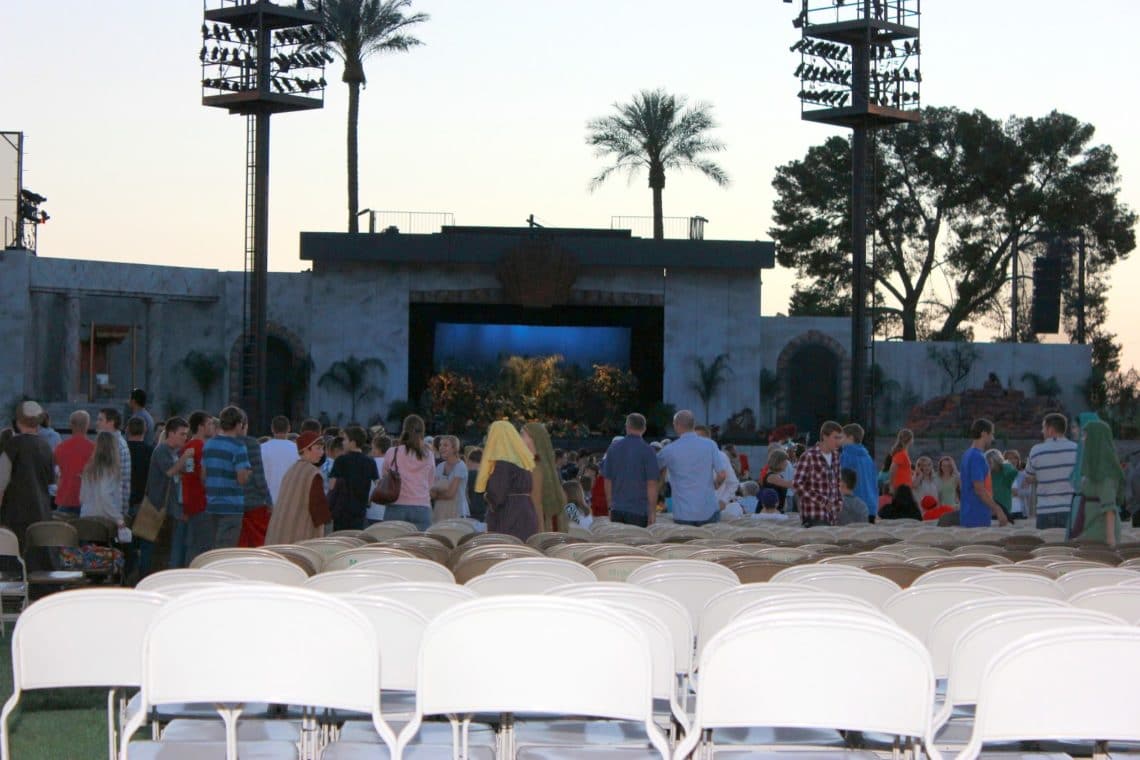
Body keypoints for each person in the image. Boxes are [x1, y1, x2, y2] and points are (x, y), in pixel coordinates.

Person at [656, 410, 725, 526]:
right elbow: (722, 474)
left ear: (676, 425)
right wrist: (716, 485)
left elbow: (653, 468)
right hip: (708, 510)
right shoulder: (710, 445)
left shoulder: (669, 450)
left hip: (683, 513)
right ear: (693, 425)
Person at [0, 401, 55, 546]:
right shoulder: (46, 447)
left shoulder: (11, 445)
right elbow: (50, 481)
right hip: (41, 513)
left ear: (18, 421)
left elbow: (1, 483)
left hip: (14, 515)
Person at [264, 431, 331, 545]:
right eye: (318, 448)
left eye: (322, 449)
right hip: (299, 535)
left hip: (279, 532)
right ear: (306, 449)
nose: (322, 452)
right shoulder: (313, 474)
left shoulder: (291, 470)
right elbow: (318, 510)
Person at [477, 420, 540, 540]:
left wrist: (487, 496)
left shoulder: (503, 461)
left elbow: (497, 495)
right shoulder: (521, 458)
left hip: (510, 515)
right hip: (526, 512)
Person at [202, 405, 252, 549]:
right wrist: (248, 474)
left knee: (212, 548)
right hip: (231, 505)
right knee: (225, 550)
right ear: (237, 425)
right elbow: (241, 479)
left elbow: (203, 475)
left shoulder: (209, 444)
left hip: (212, 504)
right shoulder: (238, 447)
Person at [602, 413, 660, 528]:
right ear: (644, 428)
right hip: (639, 510)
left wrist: (610, 506)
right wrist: (652, 511)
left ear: (627, 427)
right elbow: (652, 483)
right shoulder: (648, 451)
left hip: (617, 509)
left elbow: (608, 480)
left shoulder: (613, 448)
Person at [1072, 420, 1123, 546]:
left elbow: (1109, 509)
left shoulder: (1105, 474)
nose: (1083, 440)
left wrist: (1110, 540)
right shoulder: (1093, 468)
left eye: (1085, 436)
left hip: (1099, 534)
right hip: (1089, 527)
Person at [1024, 413, 1078, 530]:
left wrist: (1042, 477)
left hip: (1045, 510)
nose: (1042, 431)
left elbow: (1028, 477)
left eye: (1043, 428)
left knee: (1047, 547)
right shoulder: (1077, 449)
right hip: (1069, 509)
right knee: (1069, 547)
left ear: (1050, 429)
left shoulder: (1036, 451)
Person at [382, 414, 435, 531]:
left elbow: (384, 477)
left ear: (404, 430)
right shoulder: (428, 454)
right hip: (422, 506)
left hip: (396, 505)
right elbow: (431, 481)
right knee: (418, 547)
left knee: (392, 546)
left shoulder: (392, 452)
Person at [959, 418, 1011, 528]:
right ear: (984, 433)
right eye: (991, 434)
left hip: (968, 513)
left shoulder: (967, 454)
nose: (993, 438)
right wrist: (998, 509)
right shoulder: (977, 457)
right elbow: (979, 489)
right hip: (977, 516)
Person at [792, 421, 845, 527]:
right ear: (825, 437)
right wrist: (822, 501)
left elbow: (838, 484)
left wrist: (839, 502)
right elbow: (797, 484)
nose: (839, 442)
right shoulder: (809, 456)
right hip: (814, 516)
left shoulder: (836, 457)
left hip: (832, 517)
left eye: (840, 438)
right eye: (835, 438)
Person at [327, 425, 379, 531]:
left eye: (345, 439)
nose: (343, 442)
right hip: (360, 510)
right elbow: (377, 484)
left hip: (342, 510)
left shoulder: (341, 460)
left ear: (353, 442)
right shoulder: (370, 461)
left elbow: (332, 485)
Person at [177, 411, 213, 566]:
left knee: (192, 544)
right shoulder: (202, 448)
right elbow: (201, 476)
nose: (212, 427)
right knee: (202, 546)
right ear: (201, 427)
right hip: (202, 502)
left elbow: (187, 474)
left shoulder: (188, 448)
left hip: (190, 502)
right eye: (210, 423)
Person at [524, 422, 567, 533]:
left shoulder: (535, 467)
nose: (520, 439)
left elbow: (536, 504)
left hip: (541, 527)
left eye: (523, 435)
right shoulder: (546, 465)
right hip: (550, 525)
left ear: (535, 439)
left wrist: (540, 534)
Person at [79, 432, 126, 527]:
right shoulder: (112, 471)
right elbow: (105, 496)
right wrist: (118, 518)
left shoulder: (88, 469)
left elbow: (82, 497)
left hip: (85, 519)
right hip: (103, 522)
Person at [54, 409, 94, 518]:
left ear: (70, 425)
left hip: (64, 498)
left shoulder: (60, 448)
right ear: (87, 425)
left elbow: (56, 473)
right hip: (86, 500)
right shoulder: (94, 449)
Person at [237, 426, 272, 547]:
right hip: (253, 502)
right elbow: (258, 475)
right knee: (259, 544)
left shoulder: (220, 444)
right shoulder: (251, 443)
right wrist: (268, 500)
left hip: (232, 504)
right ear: (244, 425)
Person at [96, 408, 131, 526]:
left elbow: (118, 481)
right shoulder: (110, 443)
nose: (97, 423)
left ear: (111, 422)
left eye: (101, 420)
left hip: (111, 508)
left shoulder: (116, 445)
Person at [840, 423, 879, 521]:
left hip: (852, 507)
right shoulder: (868, 458)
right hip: (871, 506)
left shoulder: (846, 455)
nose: (840, 440)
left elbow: (840, 480)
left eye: (842, 437)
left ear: (850, 437)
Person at [429, 434, 468, 524]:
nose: (441, 448)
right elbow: (432, 493)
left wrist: (437, 493)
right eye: (440, 445)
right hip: (439, 510)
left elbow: (450, 494)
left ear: (454, 449)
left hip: (457, 511)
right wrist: (440, 492)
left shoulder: (460, 466)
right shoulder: (439, 466)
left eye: (445, 445)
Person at [260, 415, 296, 507]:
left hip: (267, 501)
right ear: (289, 428)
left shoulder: (262, 448)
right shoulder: (297, 450)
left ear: (272, 428)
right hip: (291, 500)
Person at [366, 433, 391, 526]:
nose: (372, 451)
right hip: (387, 510)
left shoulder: (370, 463)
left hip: (371, 509)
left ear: (378, 449)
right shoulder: (392, 464)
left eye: (373, 448)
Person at [985, 448, 1017, 520]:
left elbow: (1013, 472)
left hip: (1005, 509)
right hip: (991, 510)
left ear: (995, 460)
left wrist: (1003, 464)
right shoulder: (988, 473)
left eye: (989, 462)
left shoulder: (1006, 470)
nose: (987, 465)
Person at [888, 429, 914, 494]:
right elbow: (892, 469)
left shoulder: (903, 452)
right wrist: (891, 485)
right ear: (910, 439)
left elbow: (903, 469)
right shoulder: (901, 453)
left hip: (904, 487)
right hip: (901, 487)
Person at [465, 447, 487, 523]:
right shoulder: (486, 476)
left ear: (469, 461)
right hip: (483, 512)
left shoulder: (467, 475)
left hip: (469, 512)